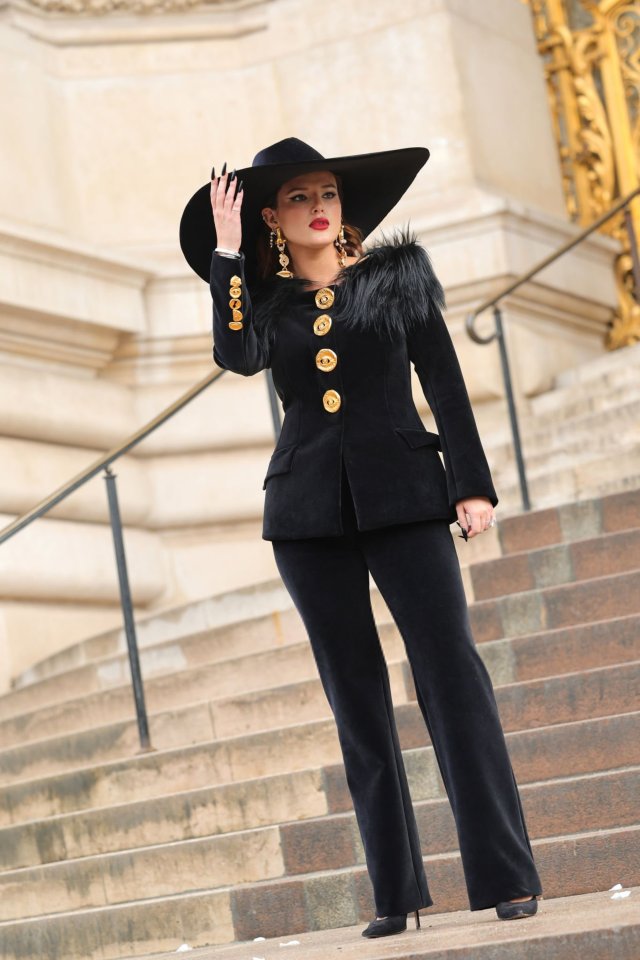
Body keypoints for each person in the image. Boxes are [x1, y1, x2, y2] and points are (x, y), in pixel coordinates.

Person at [179, 137, 542, 939]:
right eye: (300, 198)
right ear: (275, 217)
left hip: (409, 500)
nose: (318, 206)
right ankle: (395, 893)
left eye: (329, 195)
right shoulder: (267, 307)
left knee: (452, 678)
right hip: (308, 519)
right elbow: (234, 355)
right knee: (356, 701)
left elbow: (443, 385)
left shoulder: (398, 282)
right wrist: (229, 253)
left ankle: (506, 874)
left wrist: (472, 485)